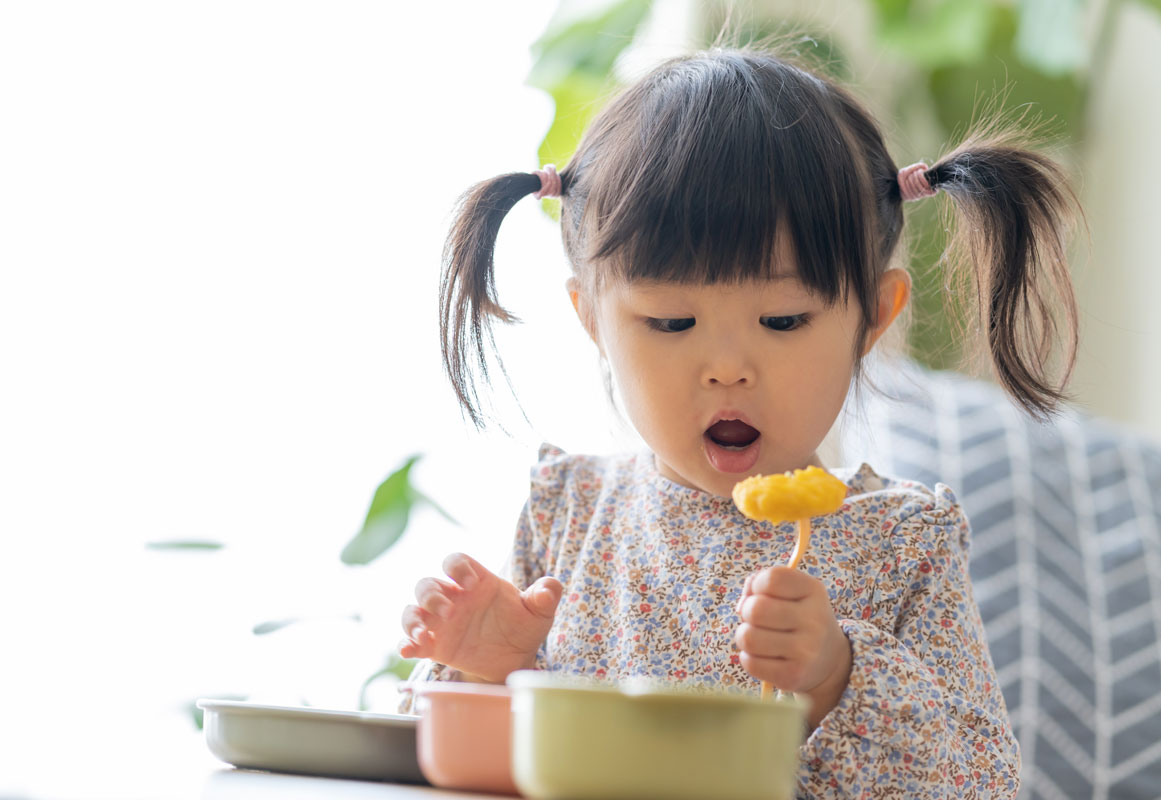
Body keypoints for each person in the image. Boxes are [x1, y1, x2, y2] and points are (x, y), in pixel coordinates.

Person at [397, 44, 1080, 798]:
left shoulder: (899, 545)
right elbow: (444, 769)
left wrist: (837, 676)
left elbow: (982, 782)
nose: (726, 367)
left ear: (873, 318)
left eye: (783, 319)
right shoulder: (570, 512)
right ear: (593, 319)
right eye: (671, 321)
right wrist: (486, 669)